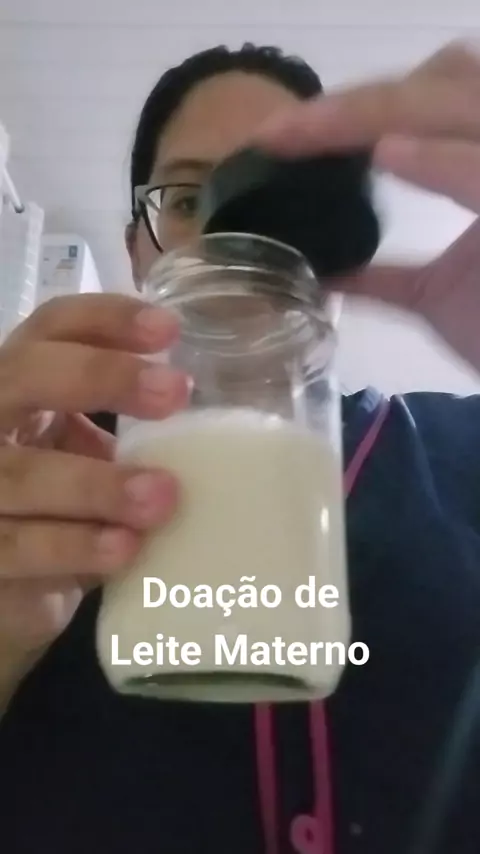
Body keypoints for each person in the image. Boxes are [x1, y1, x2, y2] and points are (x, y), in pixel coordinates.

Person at [0, 39, 479, 854]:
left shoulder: (464, 453)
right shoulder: (36, 467)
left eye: (275, 194)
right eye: (190, 198)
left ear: (335, 240)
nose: (235, 238)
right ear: (137, 247)